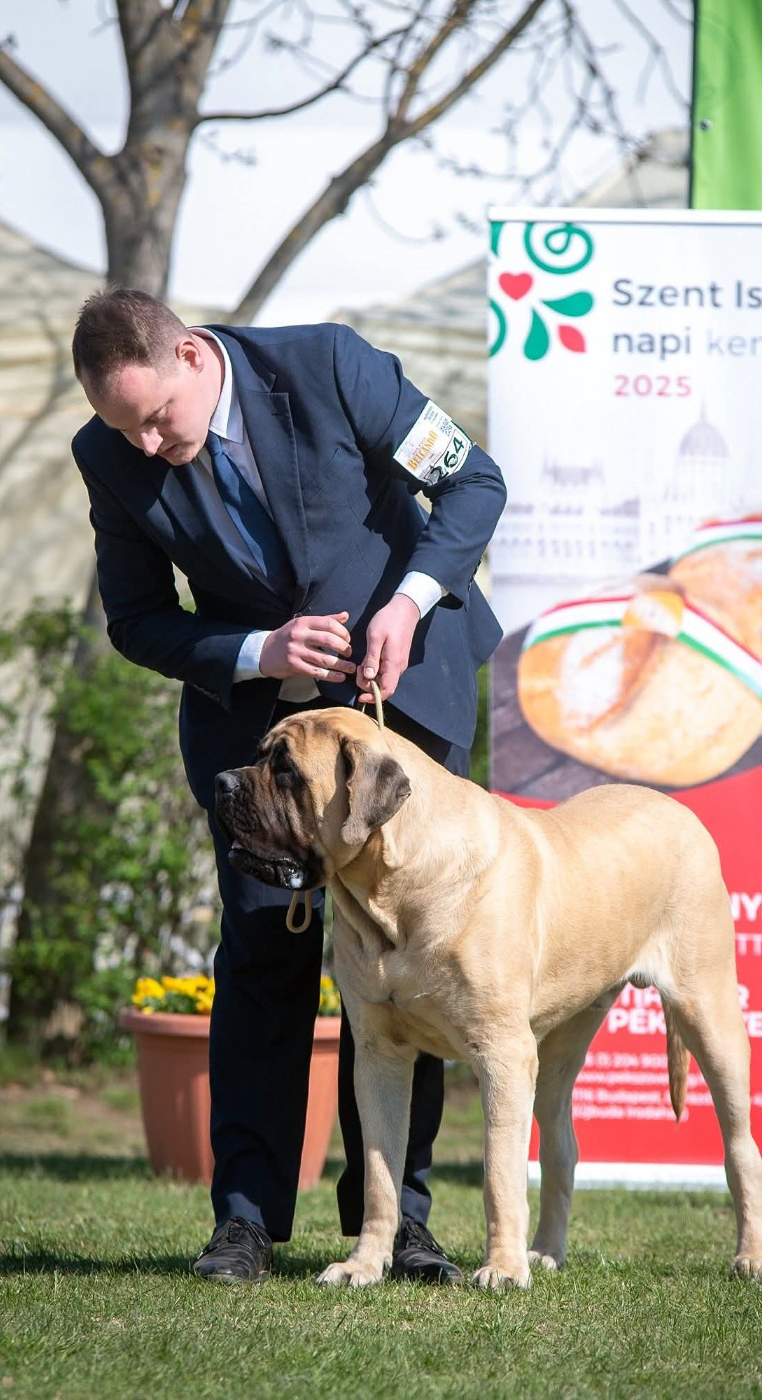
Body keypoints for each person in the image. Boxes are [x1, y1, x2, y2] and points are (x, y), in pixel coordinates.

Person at [70, 288, 506, 1285]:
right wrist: (257, 649)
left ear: (191, 354)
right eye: (124, 428)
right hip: (259, 753)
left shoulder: (328, 365)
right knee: (266, 956)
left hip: (404, 706)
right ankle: (245, 1222)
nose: (145, 444)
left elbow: (473, 482)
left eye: (155, 417)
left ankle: (397, 1222)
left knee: (406, 963)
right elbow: (136, 620)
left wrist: (409, 601)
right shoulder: (109, 456)